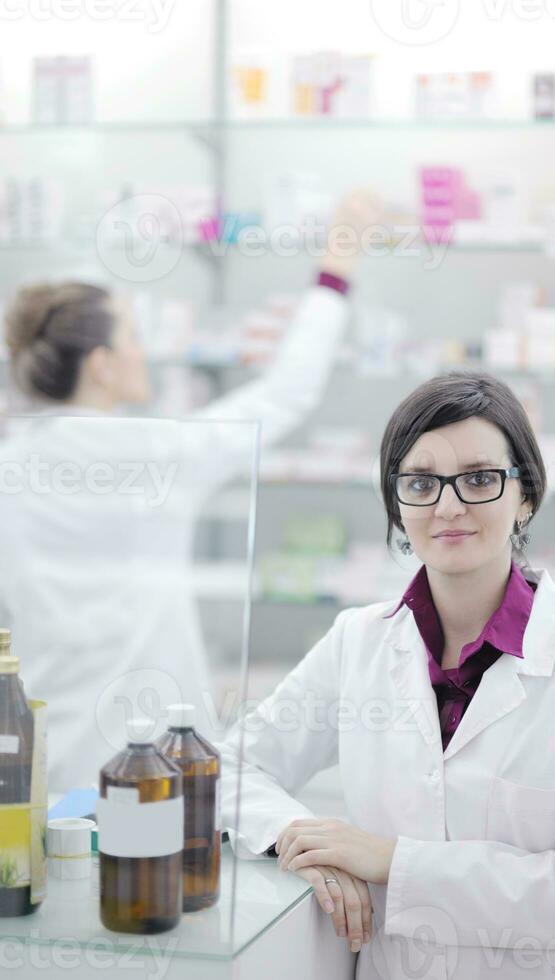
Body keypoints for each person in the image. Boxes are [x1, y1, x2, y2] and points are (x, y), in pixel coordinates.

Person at [215, 371, 555, 979]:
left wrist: (392, 862)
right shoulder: (358, 641)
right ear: (397, 503)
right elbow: (228, 770)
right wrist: (301, 839)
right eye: (421, 482)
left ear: (526, 494)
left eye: (479, 478)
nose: (449, 506)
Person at [0, 190, 384, 792]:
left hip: (39, 754)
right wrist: (334, 272)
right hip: (149, 754)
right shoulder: (154, 455)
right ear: (100, 364)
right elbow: (285, 394)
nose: (141, 349)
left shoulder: (9, 465)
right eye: (130, 335)